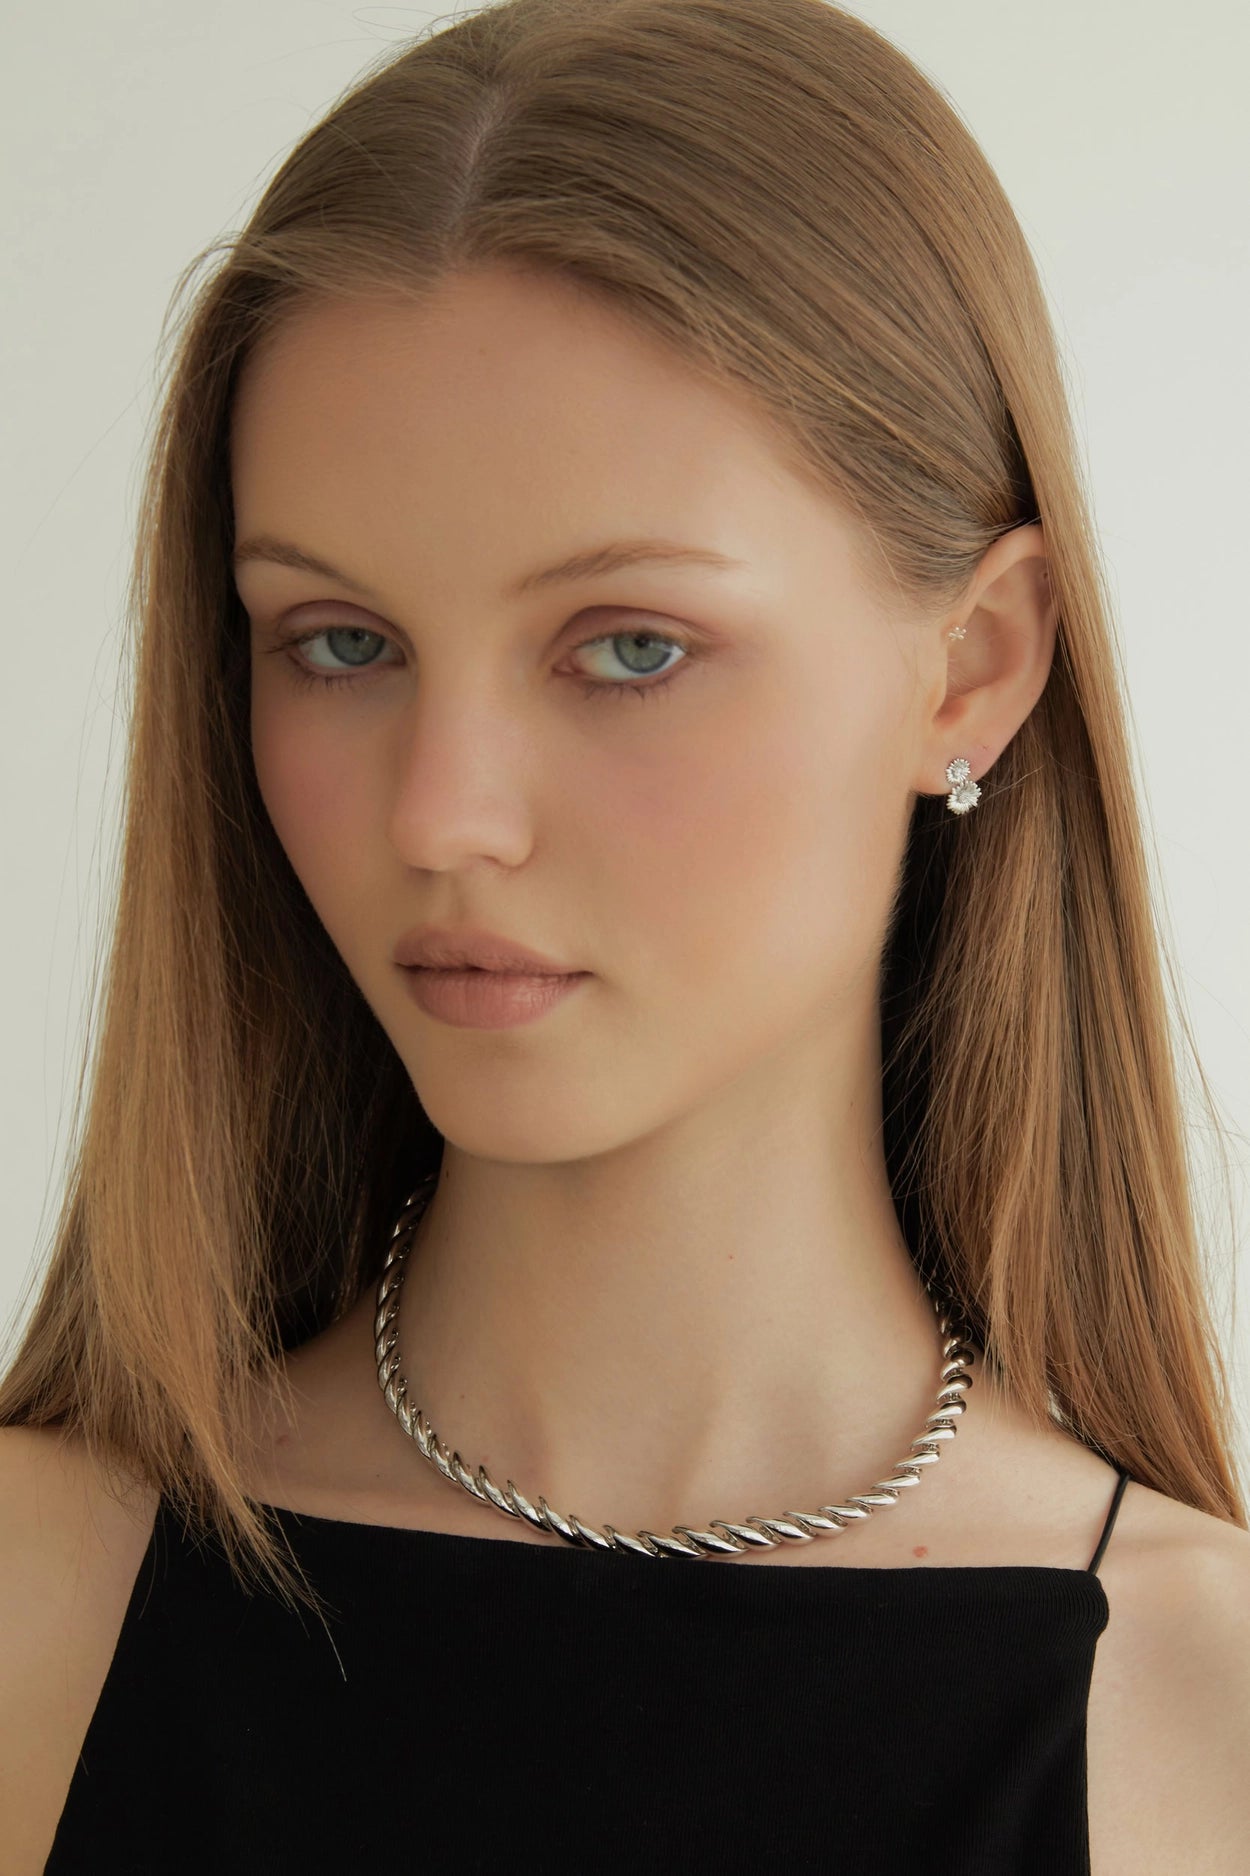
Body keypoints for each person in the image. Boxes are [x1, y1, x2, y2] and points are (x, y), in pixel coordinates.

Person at [2, 0, 1247, 1870]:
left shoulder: (1205, 1726)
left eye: (630, 647)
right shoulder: (33, 1598)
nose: (440, 817)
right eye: (339, 642)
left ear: (973, 667)